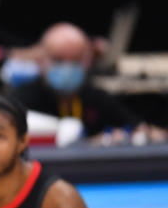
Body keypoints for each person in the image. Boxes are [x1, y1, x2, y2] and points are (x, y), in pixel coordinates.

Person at [12, 22, 148, 141]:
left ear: (88, 60)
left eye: (75, 60)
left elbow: (140, 130)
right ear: (41, 59)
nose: (67, 68)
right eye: (58, 60)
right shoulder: (20, 102)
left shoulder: (97, 99)